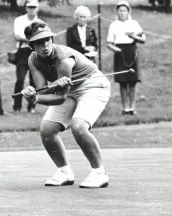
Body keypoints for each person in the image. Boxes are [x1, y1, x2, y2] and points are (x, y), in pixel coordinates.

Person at [20, 20, 111, 188]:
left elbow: (60, 98)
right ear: (32, 46)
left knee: (78, 127)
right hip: (70, 90)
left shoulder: (64, 60)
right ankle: (64, 172)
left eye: (48, 39)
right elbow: (42, 90)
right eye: (39, 42)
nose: (45, 44)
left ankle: (99, 173)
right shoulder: (33, 59)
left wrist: (36, 99)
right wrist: (33, 94)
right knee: (47, 130)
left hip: (93, 85)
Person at [107, 1, 146, 115]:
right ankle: (125, 108)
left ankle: (132, 108)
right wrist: (117, 50)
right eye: (120, 10)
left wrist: (132, 36)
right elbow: (109, 43)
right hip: (120, 53)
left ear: (128, 12)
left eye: (124, 10)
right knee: (122, 82)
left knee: (132, 82)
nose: (122, 13)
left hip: (132, 52)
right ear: (117, 12)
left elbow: (143, 39)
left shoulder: (134, 24)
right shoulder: (113, 25)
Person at [13, 0, 40, 113]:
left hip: (35, 53)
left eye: (34, 7)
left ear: (37, 8)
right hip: (23, 52)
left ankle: (31, 106)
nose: (32, 9)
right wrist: (32, 38)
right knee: (20, 79)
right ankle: (17, 106)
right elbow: (18, 35)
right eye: (30, 7)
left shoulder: (40, 22)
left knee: (33, 81)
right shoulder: (20, 20)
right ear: (26, 8)